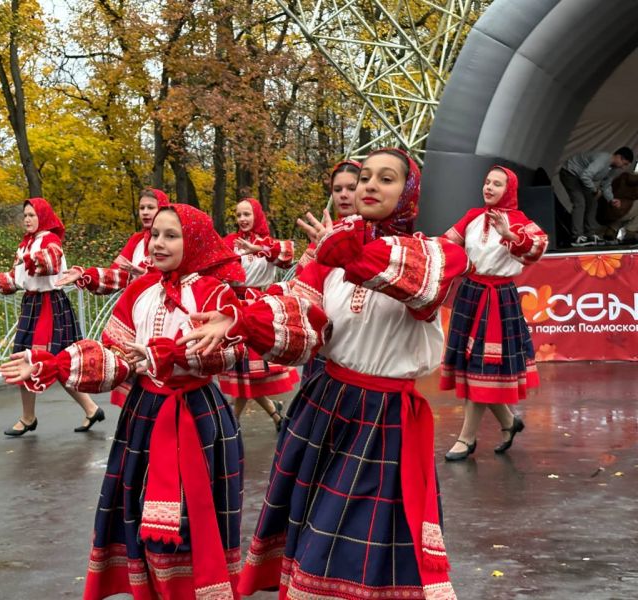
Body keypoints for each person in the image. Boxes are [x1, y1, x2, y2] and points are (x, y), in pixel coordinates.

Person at [0, 203, 329, 600]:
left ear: (196, 242)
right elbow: (116, 356)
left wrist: (170, 355)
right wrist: (56, 364)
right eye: (155, 234)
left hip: (197, 415)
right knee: (142, 514)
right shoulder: (140, 291)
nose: (158, 243)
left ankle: (195, 589)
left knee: (192, 518)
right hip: (144, 414)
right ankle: (155, 589)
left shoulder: (215, 291)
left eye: (171, 236)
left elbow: (228, 352)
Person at [181, 149, 470, 599]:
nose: (369, 185)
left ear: (409, 193)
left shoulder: (435, 254)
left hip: (383, 420)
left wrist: (349, 253)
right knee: (316, 527)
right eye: (365, 176)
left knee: (356, 539)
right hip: (325, 405)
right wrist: (240, 318)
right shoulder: (328, 257)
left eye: (386, 179)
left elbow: (420, 285)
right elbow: (301, 321)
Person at [0, 198, 104, 435]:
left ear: (43, 217)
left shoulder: (50, 239)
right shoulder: (25, 244)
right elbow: (14, 281)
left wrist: (28, 258)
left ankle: (35, 417)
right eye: (25, 215)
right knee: (37, 360)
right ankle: (85, 410)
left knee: (43, 361)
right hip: (32, 305)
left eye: (32, 215)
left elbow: (51, 262)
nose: (27, 219)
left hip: (50, 305)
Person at [440, 166, 548, 461]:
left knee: (482, 368)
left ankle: (466, 439)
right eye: (487, 182)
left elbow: (537, 249)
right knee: (475, 368)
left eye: (496, 184)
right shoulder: (473, 216)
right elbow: (446, 244)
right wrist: (417, 246)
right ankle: (509, 422)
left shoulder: (521, 222)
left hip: (497, 299)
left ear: (509, 190)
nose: (488, 187)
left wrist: (509, 234)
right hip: (470, 294)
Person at [53, 188, 170, 407]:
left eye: (151, 207)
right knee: (136, 384)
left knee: (161, 377)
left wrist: (148, 274)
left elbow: (179, 272)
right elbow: (117, 276)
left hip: (165, 314)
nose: (145, 212)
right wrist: (85, 274)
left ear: (162, 209)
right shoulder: (136, 241)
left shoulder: (174, 240)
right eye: (142, 208)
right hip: (136, 315)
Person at [220, 197, 299, 431]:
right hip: (234, 306)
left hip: (258, 307)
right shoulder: (230, 242)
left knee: (248, 370)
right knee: (245, 371)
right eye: (238, 215)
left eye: (247, 214)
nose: (242, 219)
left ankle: (232, 423)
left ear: (257, 215)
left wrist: (258, 249)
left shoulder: (268, 244)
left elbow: (287, 256)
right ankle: (274, 415)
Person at [295, 159, 360, 380]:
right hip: (324, 329)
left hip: (358, 334)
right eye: (337, 189)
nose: (343, 195)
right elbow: (302, 278)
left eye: (351, 188)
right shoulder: (323, 232)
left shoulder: (373, 231)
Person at [558, 146, 633, 246]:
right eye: (624, 164)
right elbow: (586, 175)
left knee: (593, 203)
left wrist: (611, 199)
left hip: (582, 178)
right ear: (620, 157)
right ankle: (577, 236)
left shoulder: (613, 168)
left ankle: (590, 234)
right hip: (570, 173)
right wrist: (594, 190)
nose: (623, 167)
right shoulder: (603, 159)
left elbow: (606, 185)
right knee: (580, 203)